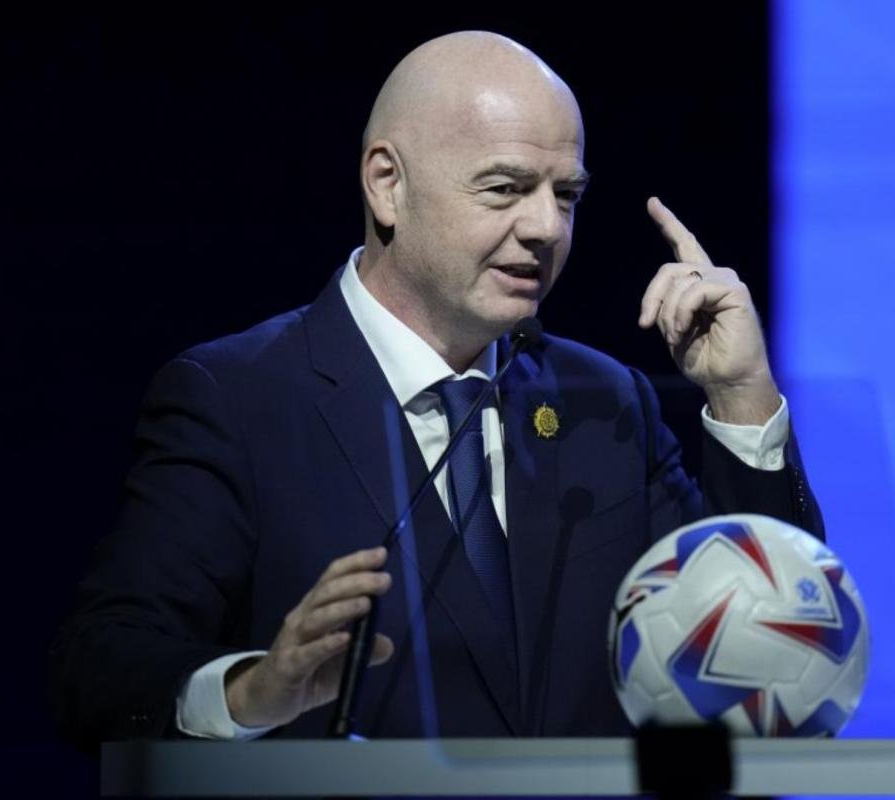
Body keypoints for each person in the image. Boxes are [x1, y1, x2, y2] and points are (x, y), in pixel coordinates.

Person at [49, 30, 823, 748]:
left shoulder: (604, 402)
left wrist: (741, 393)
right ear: (388, 185)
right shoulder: (237, 399)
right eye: (506, 188)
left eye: (566, 195)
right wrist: (252, 691)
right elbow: (102, 667)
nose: (546, 228)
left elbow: (775, 663)